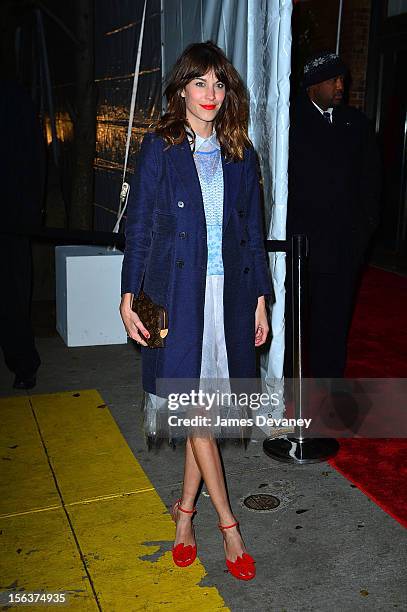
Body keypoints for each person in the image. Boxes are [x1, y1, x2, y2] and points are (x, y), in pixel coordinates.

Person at [120, 41, 272, 580]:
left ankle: (184, 517)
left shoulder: (240, 153)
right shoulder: (160, 148)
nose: (210, 94)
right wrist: (128, 292)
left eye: (219, 84)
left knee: (200, 410)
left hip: (226, 297)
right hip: (176, 295)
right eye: (200, 82)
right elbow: (138, 225)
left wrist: (259, 301)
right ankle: (228, 525)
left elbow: (251, 234)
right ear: (182, 87)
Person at [286, 52, 381, 379]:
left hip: (343, 248)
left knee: (334, 323)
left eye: (342, 79)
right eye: (333, 80)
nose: (341, 86)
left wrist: (361, 236)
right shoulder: (288, 122)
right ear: (313, 85)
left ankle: (327, 391)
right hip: (301, 248)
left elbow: (371, 184)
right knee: (295, 323)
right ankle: (290, 390)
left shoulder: (356, 124)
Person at [0, 80, 44, 389]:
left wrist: (31, 211)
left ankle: (23, 363)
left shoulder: (13, 96)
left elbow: (33, 154)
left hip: (10, 215)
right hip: (15, 213)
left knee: (11, 293)